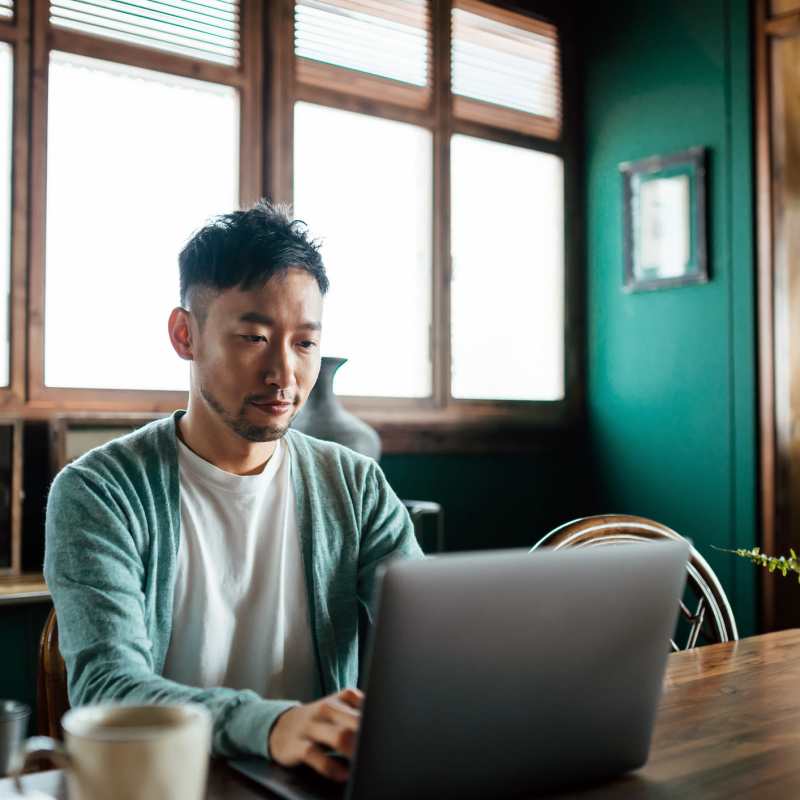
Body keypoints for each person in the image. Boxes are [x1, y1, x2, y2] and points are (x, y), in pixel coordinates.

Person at [44, 200, 423, 783]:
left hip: (314, 784)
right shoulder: (98, 492)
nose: (284, 374)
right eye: (253, 337)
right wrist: (273, 726)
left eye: (304, 344)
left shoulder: (354, 484)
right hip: (168, 785)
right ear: (184, 334)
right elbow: (108, 687)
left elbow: (429, 643)